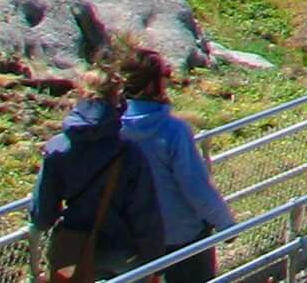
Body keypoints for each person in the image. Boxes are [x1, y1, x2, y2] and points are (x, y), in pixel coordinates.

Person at [105, 40, 233, 283]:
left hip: (130, 240)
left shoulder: (109, 129)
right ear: (154, 83)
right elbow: (195, 188)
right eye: (166, 74)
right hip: (180, 237)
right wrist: (225, 224)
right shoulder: (172, 131)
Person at [32, 68, 164, 282]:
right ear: (117, 100)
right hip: (124, 256)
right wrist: (156, 263)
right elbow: (145, 215)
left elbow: (43, 214)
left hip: (74, 254)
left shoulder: (57, 148)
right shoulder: (128, 152)